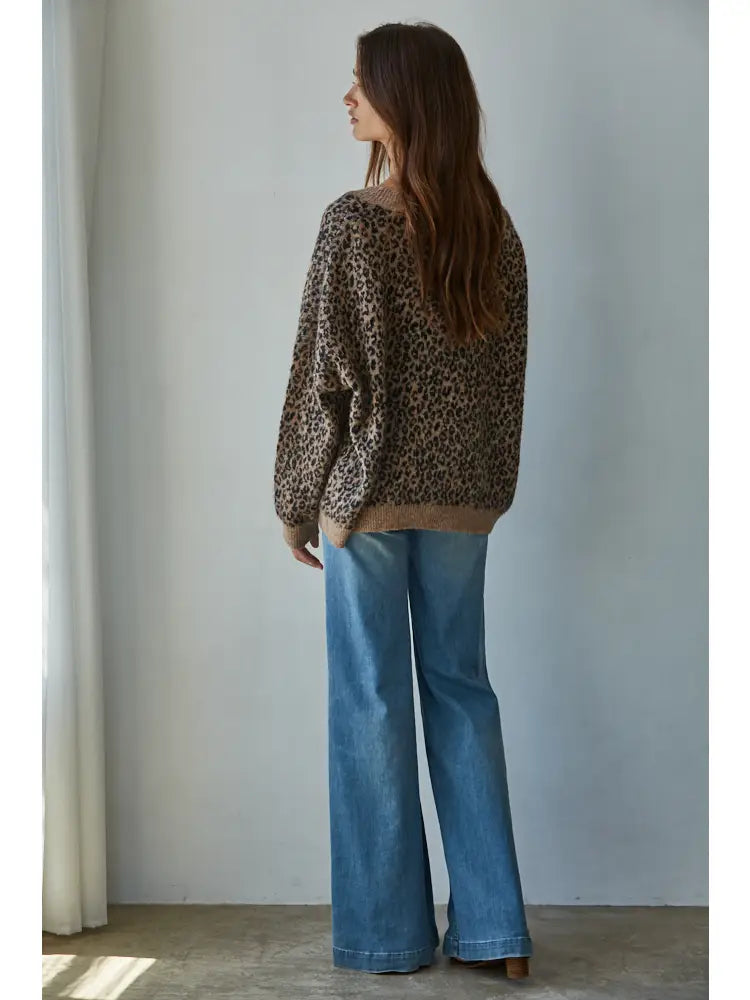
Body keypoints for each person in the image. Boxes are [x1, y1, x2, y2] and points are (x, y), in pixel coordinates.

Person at [273, 20, 532, 978]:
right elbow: (506, 380)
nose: (348, 98)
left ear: (404, 100)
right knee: (462, 691)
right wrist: (487, 489)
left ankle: (388, 937)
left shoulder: (354, 223)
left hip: (369, 497)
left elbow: (321, 378)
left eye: (363, 83)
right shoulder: (493, 229)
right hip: (463, 500)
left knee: (371, 702)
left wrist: (296, 498)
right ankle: (497, 933)